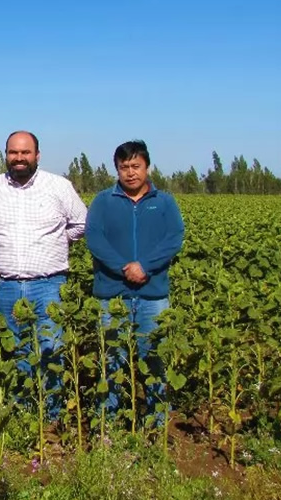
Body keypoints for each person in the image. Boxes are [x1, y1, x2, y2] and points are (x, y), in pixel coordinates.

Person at [0, 130, 87, 416]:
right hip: (5, 285)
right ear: (6, 155)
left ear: (37, 155)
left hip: (49, 283)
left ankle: (52, 414)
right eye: (13, 152)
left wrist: (57, 240)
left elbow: (82, 224)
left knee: (51, 347)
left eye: (25, 152)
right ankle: (22, 414)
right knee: (15, 349)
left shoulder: (58, 186)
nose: (19, 158)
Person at [85, 140, 184, 425]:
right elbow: (95, 238)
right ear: (116, 169)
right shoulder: (104, 201)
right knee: (112, 360)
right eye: (124, 167)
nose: (130, 173)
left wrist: (145, 267)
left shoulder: (164, 202)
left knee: (154, 359)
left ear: (147, 167)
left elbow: (174, 237)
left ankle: (156, 423)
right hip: (112, 295)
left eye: (135, 166)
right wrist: (123, 268)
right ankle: (111, 425)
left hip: (153, 295)